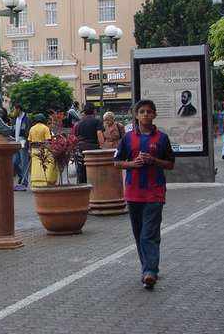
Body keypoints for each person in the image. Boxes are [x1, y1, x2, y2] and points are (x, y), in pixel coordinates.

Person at [114, 99, 175, 289]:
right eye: (142, 112)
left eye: (149, 111)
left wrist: (153, 160)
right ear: (136, 115)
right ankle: (146, 268)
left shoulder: (162, 138)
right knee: (139, 233)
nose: (146, 114)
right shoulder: (128, 138)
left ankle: (150, 271)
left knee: (149, 233)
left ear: (154, 114)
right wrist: (132, 164)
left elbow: (170, 164)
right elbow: (117, 162)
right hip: (133, 193)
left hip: (155, 192)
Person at [74, 103, 103, 183]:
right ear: (94, 111)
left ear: (85, 112)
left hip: (81, 150)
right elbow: (99, 134)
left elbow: (75, 138)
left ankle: (83, 187)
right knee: (94, 171)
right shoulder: (97, 121)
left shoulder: (78, 124)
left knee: (82, 171)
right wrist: (102, 147)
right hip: (93, 150)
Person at [29, 113, 57, 187]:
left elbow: (30, 141)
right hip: (43, 149)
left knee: (35, 167)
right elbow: (47, 141)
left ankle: (35, 182)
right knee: (44, 165)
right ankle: (45, 181)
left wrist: (30, 150)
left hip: (34, 150)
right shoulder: (45, 128)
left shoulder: (32, 128)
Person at [11, 103, 32, 191]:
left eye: (14, 109)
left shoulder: (26, 119)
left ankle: (24, 182)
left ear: (18, 109)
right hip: (16, 143)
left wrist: (27, 143)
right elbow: (13, 131)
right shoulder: (15, 119)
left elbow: (28, 131)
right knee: (15, 162)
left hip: (23, 143)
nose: (13, 111)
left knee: (24, 163)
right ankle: (21, 177)